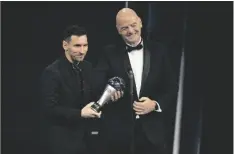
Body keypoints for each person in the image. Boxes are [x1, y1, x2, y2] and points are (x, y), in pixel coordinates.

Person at [95, 8, 178, 154]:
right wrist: (108, 95)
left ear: (140, 22)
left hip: (152, 134)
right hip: (118, 135)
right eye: (124, 28)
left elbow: (171, 87)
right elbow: (96, 84)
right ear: (118, 30)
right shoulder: (108, 53)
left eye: (133, 25)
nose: (130, 31)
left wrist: (154, 104)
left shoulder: (160, 51)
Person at [40, 25, 121, 154]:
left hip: (88, 140)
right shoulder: (52, 72)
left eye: (85, 45)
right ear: (65, 45)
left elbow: (92, 97)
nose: (82, 51)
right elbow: (48, 109)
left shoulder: (88, 67)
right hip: (63, 142)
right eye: (77, 46)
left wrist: (108, 98)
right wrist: (79, 114)